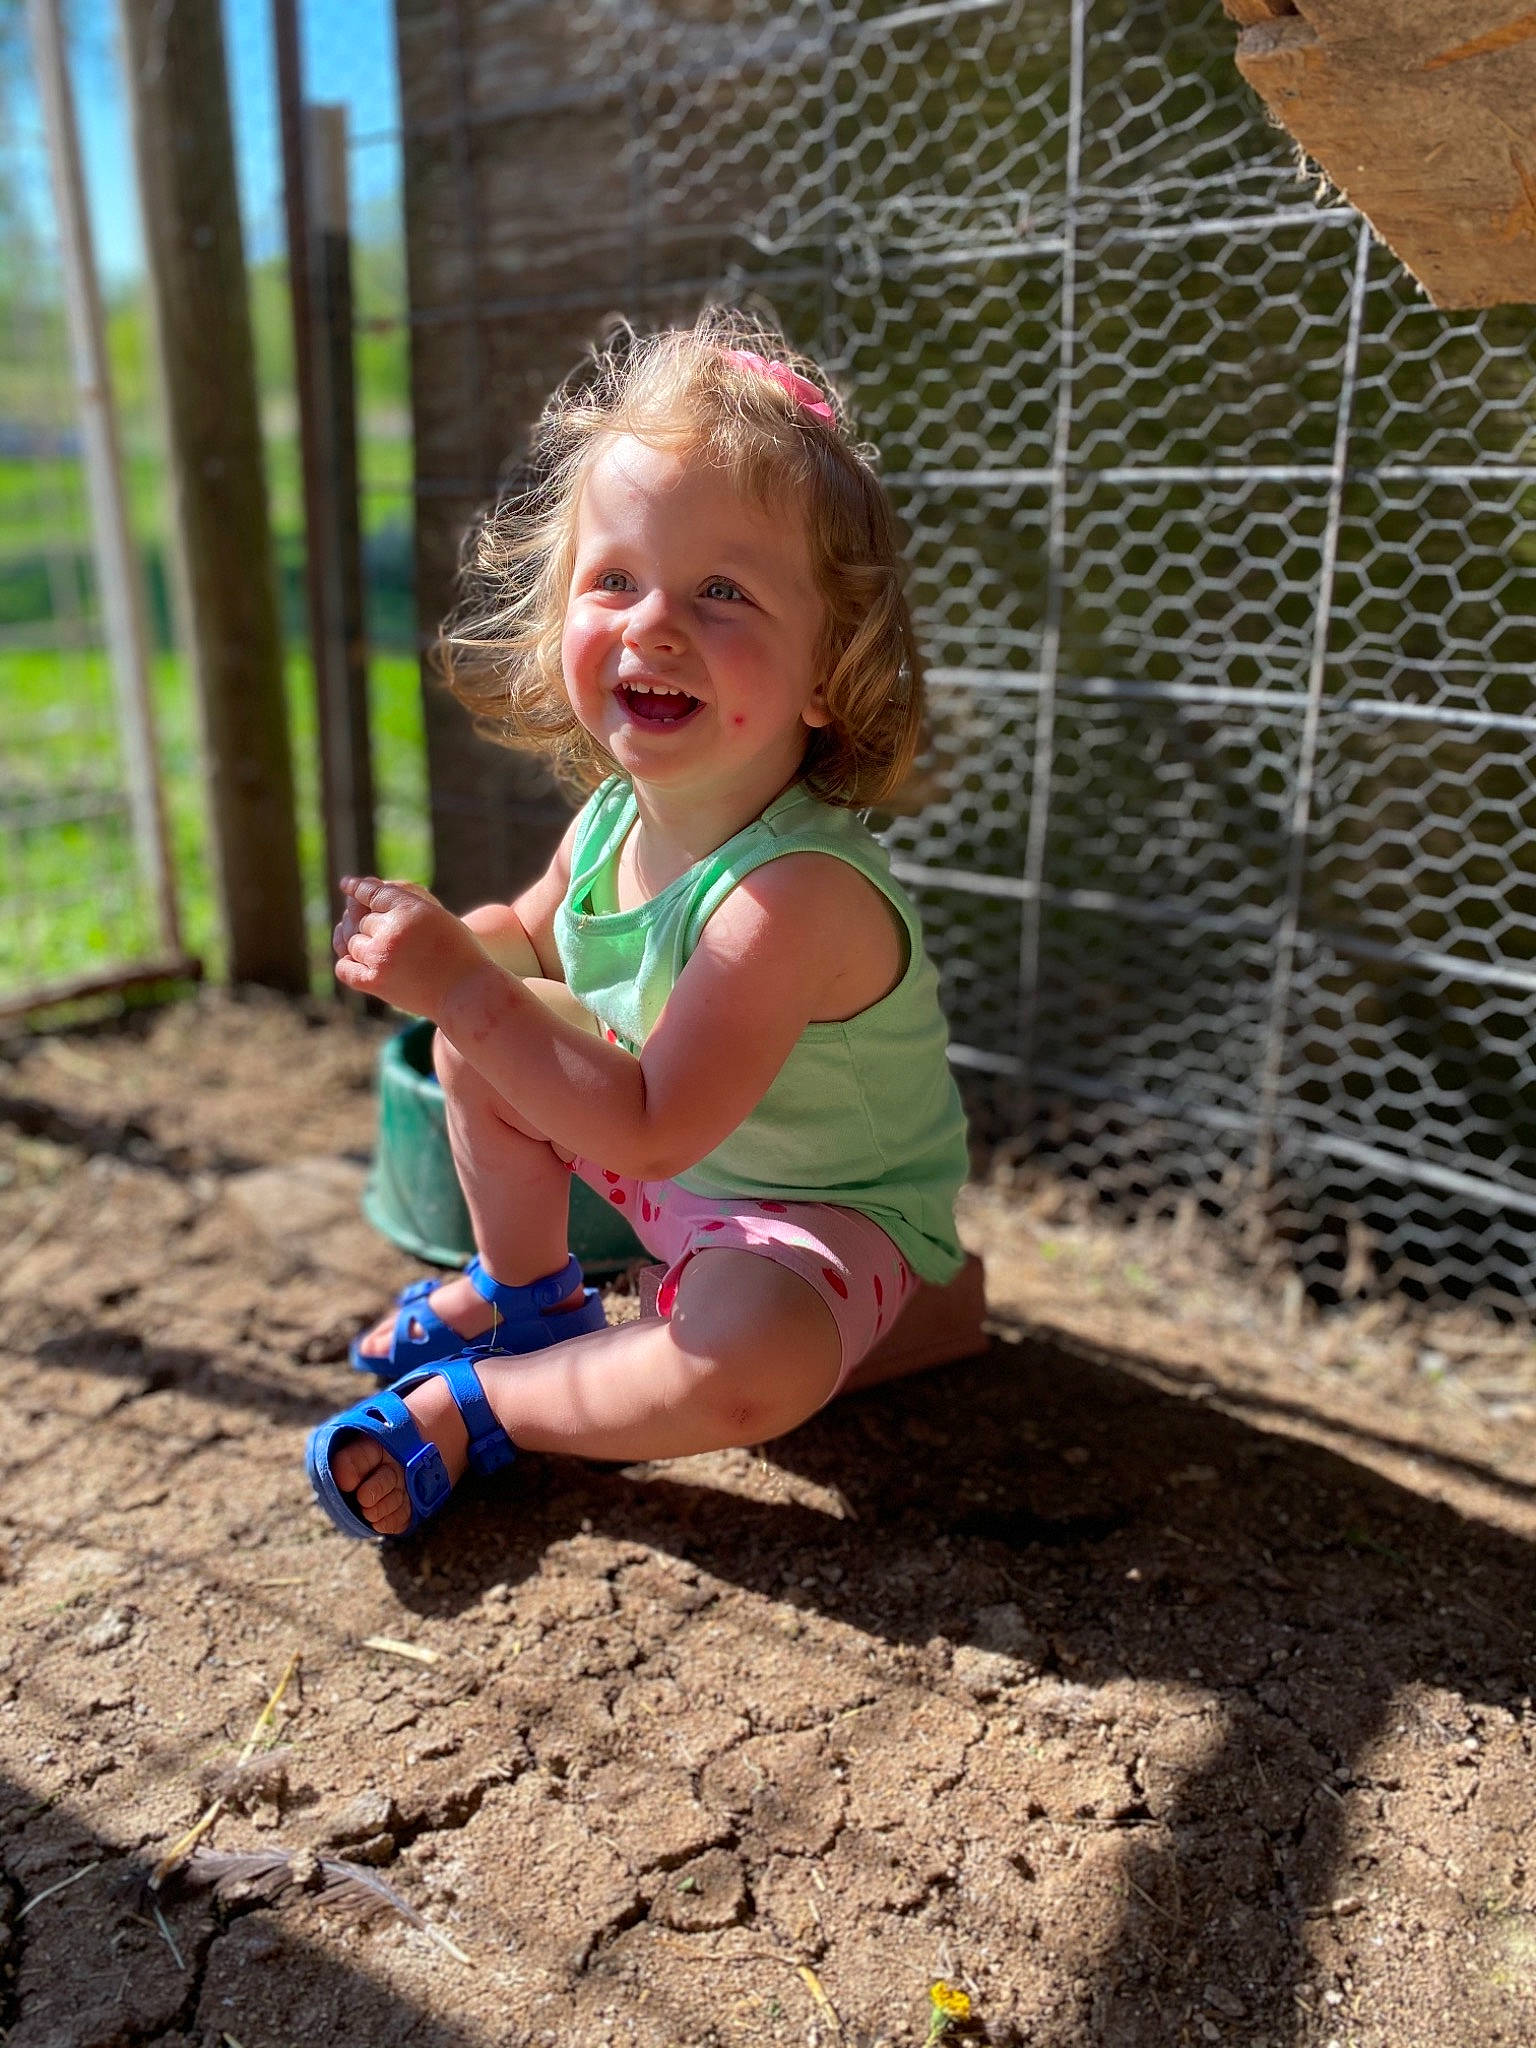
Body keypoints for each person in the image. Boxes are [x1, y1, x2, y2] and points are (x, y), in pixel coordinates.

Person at [306, 316, 971, 1540]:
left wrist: (466, 989)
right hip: (683, 1185)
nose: (654, 623)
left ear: (830, 674)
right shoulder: (619, 813)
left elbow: (652, 1128)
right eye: (615, 578)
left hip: (814, 1214)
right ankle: (532, 1299)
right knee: (491, 1031)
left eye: (723, 592)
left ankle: (498, 1399)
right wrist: (449, 951)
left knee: (743, 1363)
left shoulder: (793, 896)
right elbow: (534, 946)